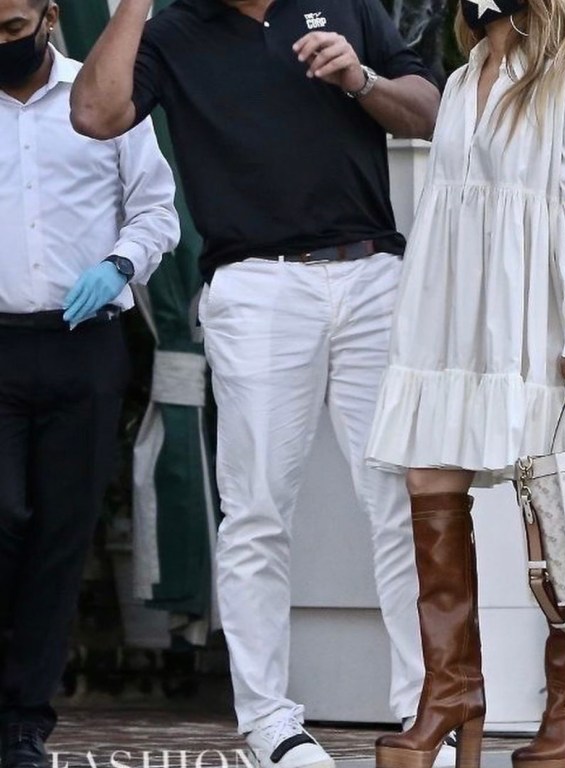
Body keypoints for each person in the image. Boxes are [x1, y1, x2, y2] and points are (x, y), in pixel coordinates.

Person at [70, 2, 442, 767]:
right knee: (259, 510)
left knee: (404, 502)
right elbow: (97, 114)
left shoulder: (349, 5)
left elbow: (432, 114)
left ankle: (423, 715)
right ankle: (272, 721)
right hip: (256, 285)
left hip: (374, 272)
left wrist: (361, 76)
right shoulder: (171, 31)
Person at [365, 1, 565, 767]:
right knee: (428, 476)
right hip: (459, 325)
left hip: (541, 322)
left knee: (557, 499)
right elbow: (452, 214)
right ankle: (452, 691)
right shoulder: (458, 81)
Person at [0, 1, 179, 766]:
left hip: (84, 345)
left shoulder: (102, 97)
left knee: (60, 538)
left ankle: (22, 724)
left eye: (9, 29)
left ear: (44, 16)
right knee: (2, 519)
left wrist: (119, 265)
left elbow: (157, 211)